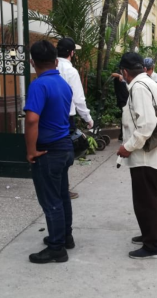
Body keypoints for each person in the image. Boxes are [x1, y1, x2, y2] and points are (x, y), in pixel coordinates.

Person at [24, 40, 74, 264]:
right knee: (62, 195)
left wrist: (31, 151)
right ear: (55, 61)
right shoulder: (64, 83)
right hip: (64, 146)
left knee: (51, 200)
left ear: (33, 62)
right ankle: (65, 236)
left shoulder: (38, 85)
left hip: (48, 150)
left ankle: (56, 248)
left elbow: (32, 119)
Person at [117, 52, 157, 259]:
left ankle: (154, 245)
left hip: (144, 154)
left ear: (125, 71)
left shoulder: (138, 87)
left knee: (144, 200)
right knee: (149, 197)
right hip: (150, 152)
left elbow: (147, 123)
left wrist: (128, 147)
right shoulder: (149, 83)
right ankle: (153, 234)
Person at [56, 37, 93, 200]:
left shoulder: (50, 66)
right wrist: (88, 118)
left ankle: (56, 186)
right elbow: (78, 99)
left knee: (53, 153)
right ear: (72, 53)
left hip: (49, 117)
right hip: (66, 118)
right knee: (65, 155)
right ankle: (62, 188)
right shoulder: (71, 72)